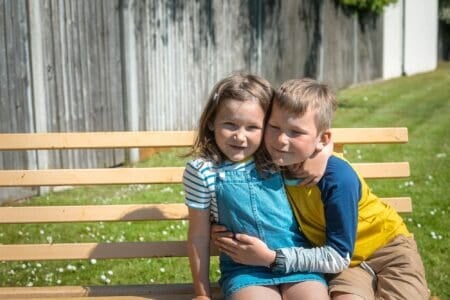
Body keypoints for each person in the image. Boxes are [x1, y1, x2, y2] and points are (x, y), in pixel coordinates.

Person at [213, 78, 430, 300]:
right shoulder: (272, 163)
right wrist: (221, 222)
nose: (280, 140)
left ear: (322, 138)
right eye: (274, 127)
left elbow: (337, 255)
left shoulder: (337, 178)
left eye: (295, 132)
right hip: (346, 266)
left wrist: (272, 258)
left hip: (388, 250)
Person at [183, 73, 329, 300]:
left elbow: (318, 138)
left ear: (268, 127)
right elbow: (199, 236)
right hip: (245, 270)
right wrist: (202, 294)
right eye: (230, 124)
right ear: (212, 121)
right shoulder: (203, 171)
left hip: (296, 260)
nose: (239, 137)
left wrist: (322, 157)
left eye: (252, 127)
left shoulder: (276, 156)